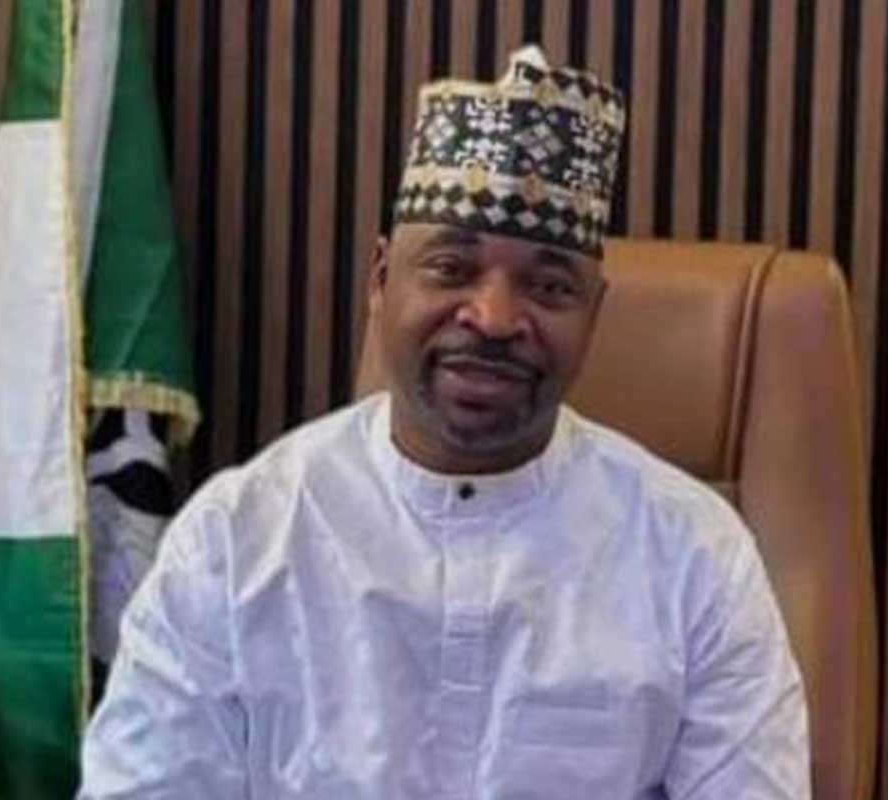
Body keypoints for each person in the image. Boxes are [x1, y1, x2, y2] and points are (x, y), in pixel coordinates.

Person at [79, 46, 809, 798]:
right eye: (452, 269)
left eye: (549, 287)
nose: (493, 317)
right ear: (381, 278)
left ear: (594, 314)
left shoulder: (694, 556)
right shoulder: (237, 541)